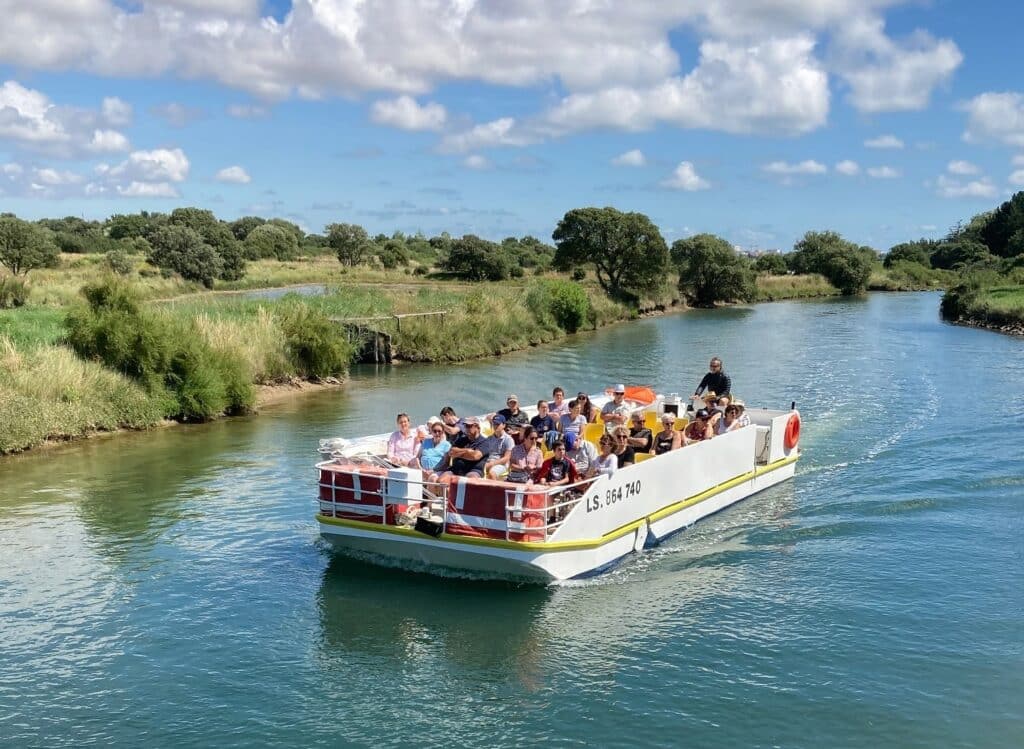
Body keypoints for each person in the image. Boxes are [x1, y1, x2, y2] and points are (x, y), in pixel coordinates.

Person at [483, 415, 514, 479]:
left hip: (501, 464)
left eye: (497, 424)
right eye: (494, 424)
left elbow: (506, 458)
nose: (495, 426)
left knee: (492, 474)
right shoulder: (489, 438)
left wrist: (491, 464)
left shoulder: (508, 439)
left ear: (504, 425)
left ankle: (493, 489)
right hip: (488, 461)